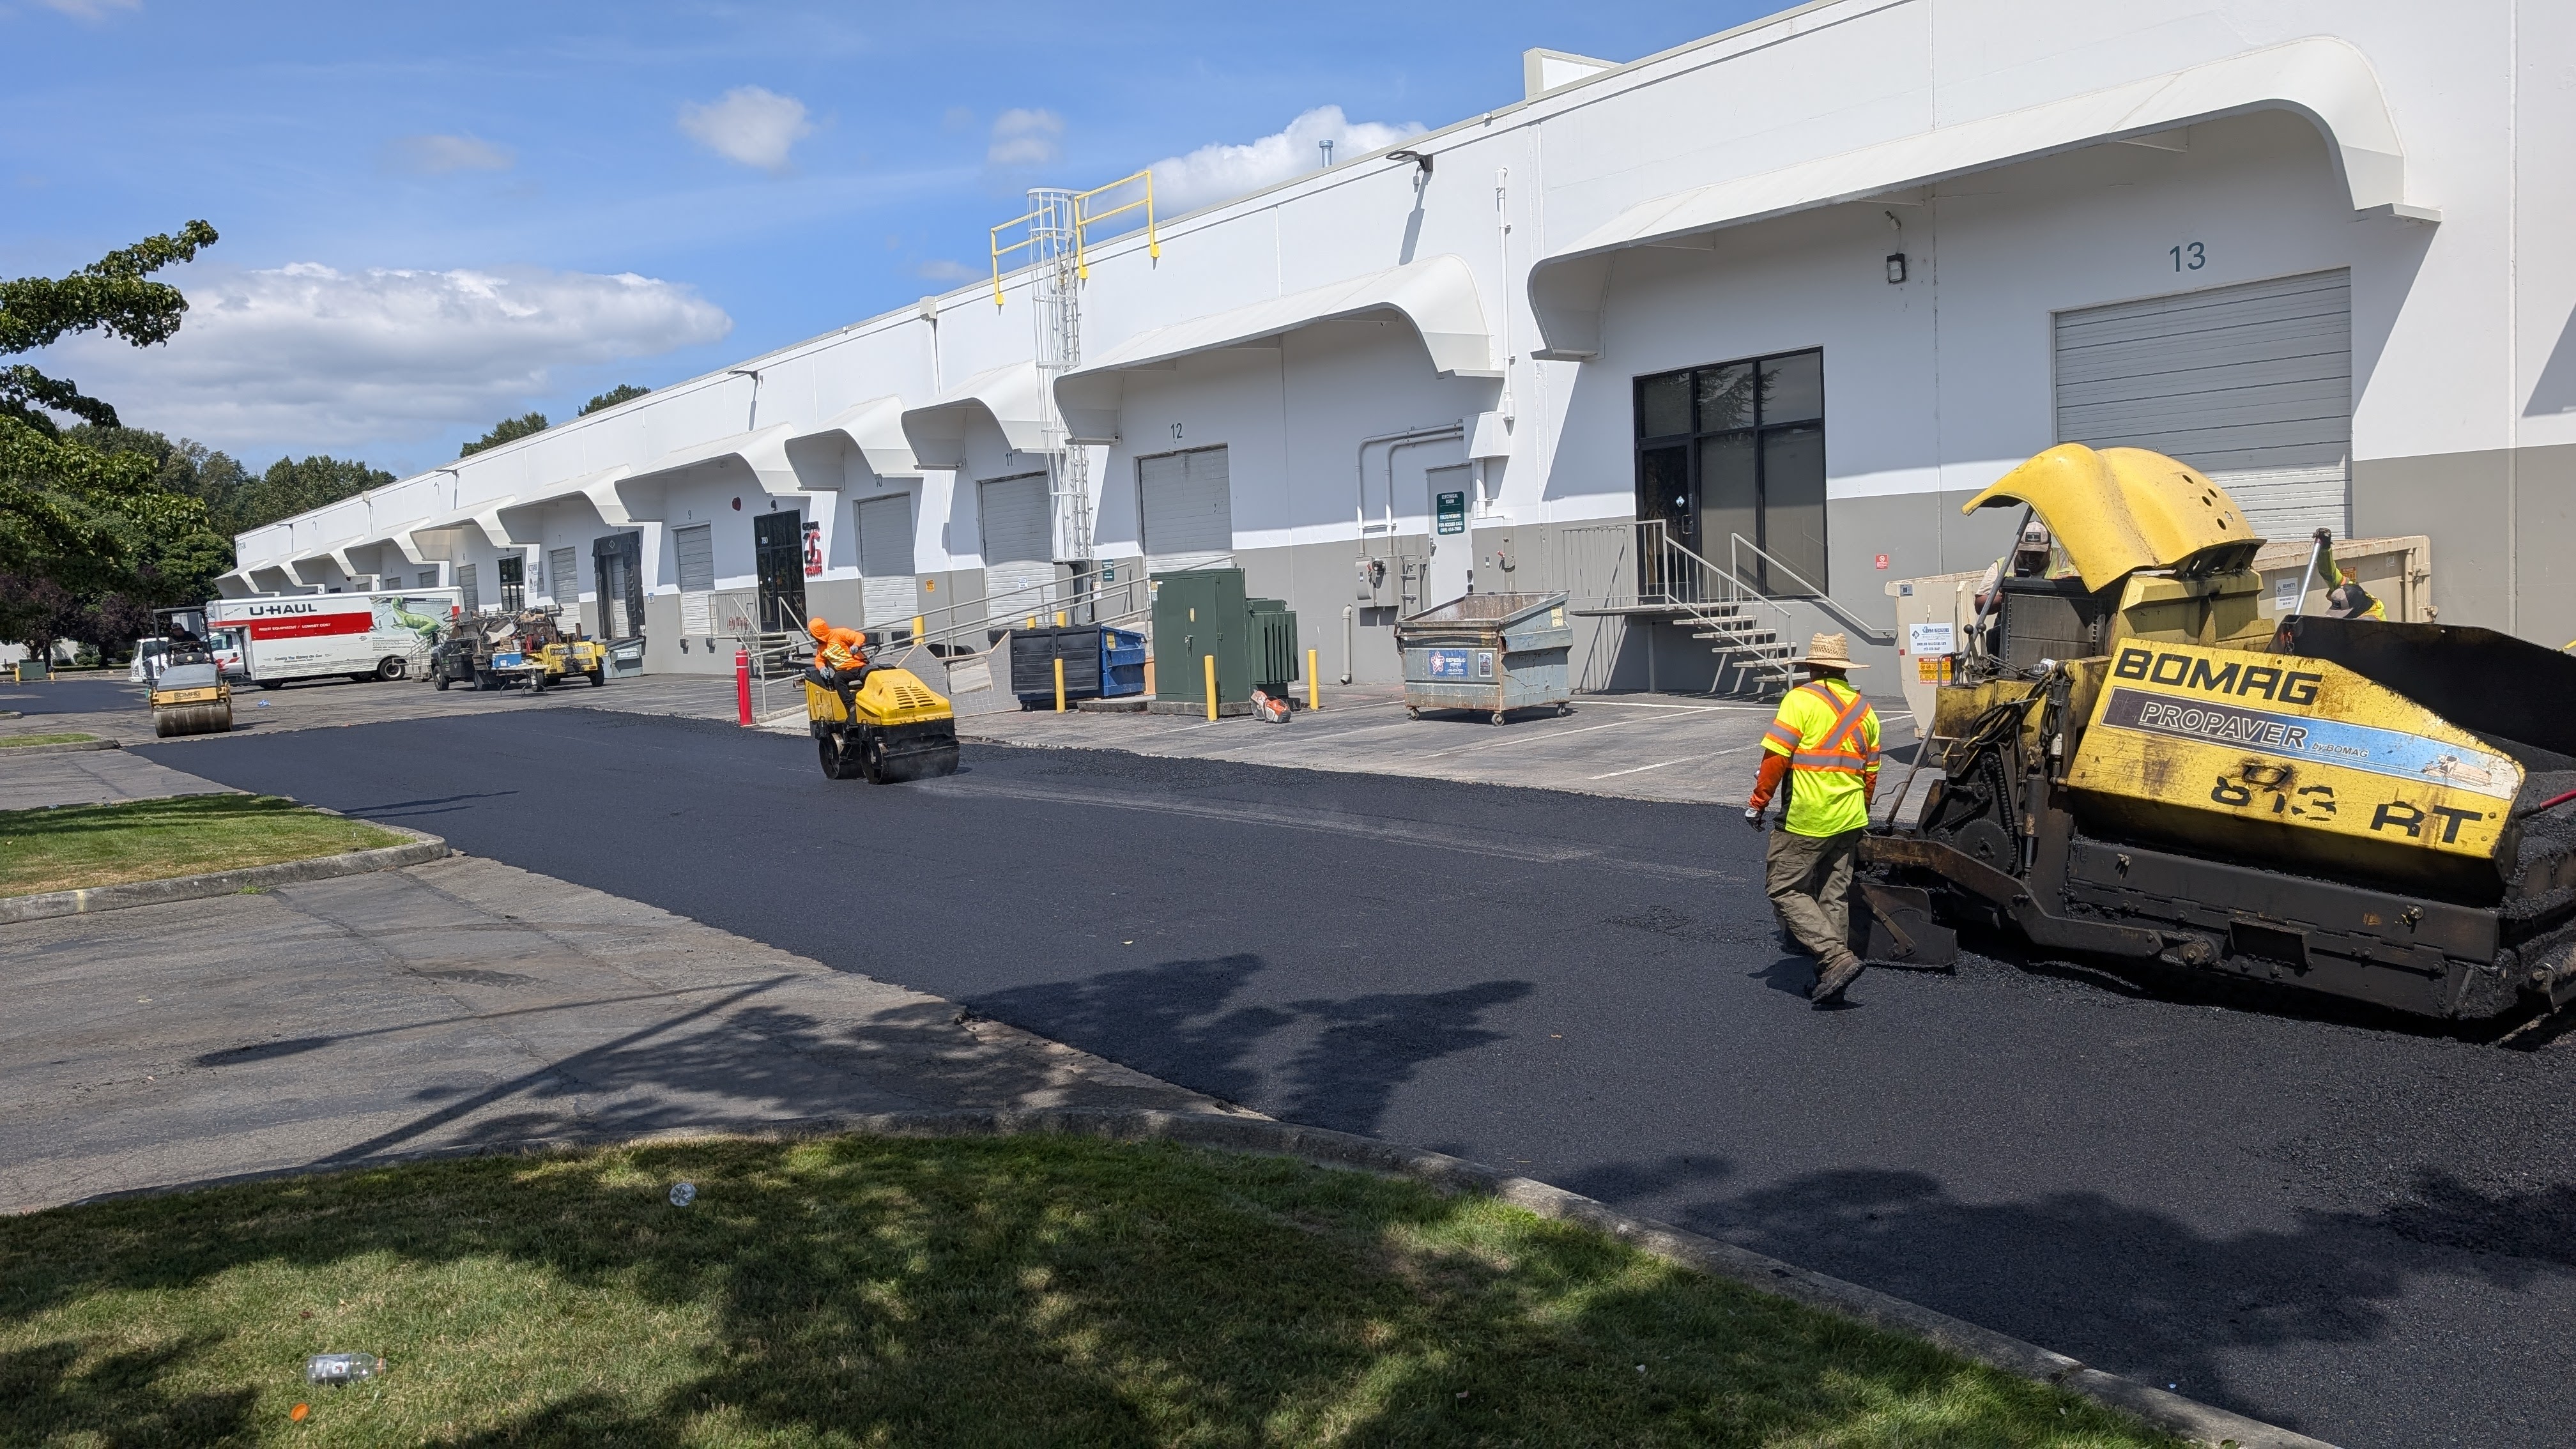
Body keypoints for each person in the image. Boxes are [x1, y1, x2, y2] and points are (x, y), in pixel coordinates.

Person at [1744, 632, 1882, 1005]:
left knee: (1784, 888)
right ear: (1841, 670)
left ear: (1811, 667)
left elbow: (1775, 759)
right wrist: (1861, 812)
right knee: (1832, 893)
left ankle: (1835, 957)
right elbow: (1870, 774)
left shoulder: (1800, 699)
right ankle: (1832, 976)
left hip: (1809, 816)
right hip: (1850, 815)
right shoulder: (1864, 710)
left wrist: (1758, 803)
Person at [804, 617, 872, 701]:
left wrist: (856, 645)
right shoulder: (821, 647)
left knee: (872, 676)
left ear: (817, 633)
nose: (812, 636)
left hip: (860, 667)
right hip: (845, 673)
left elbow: (859, 636)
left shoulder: (840, 633)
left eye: (812, 634)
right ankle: (850, 706)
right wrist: (822, 668)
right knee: (838, 677)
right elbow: (819, 660)